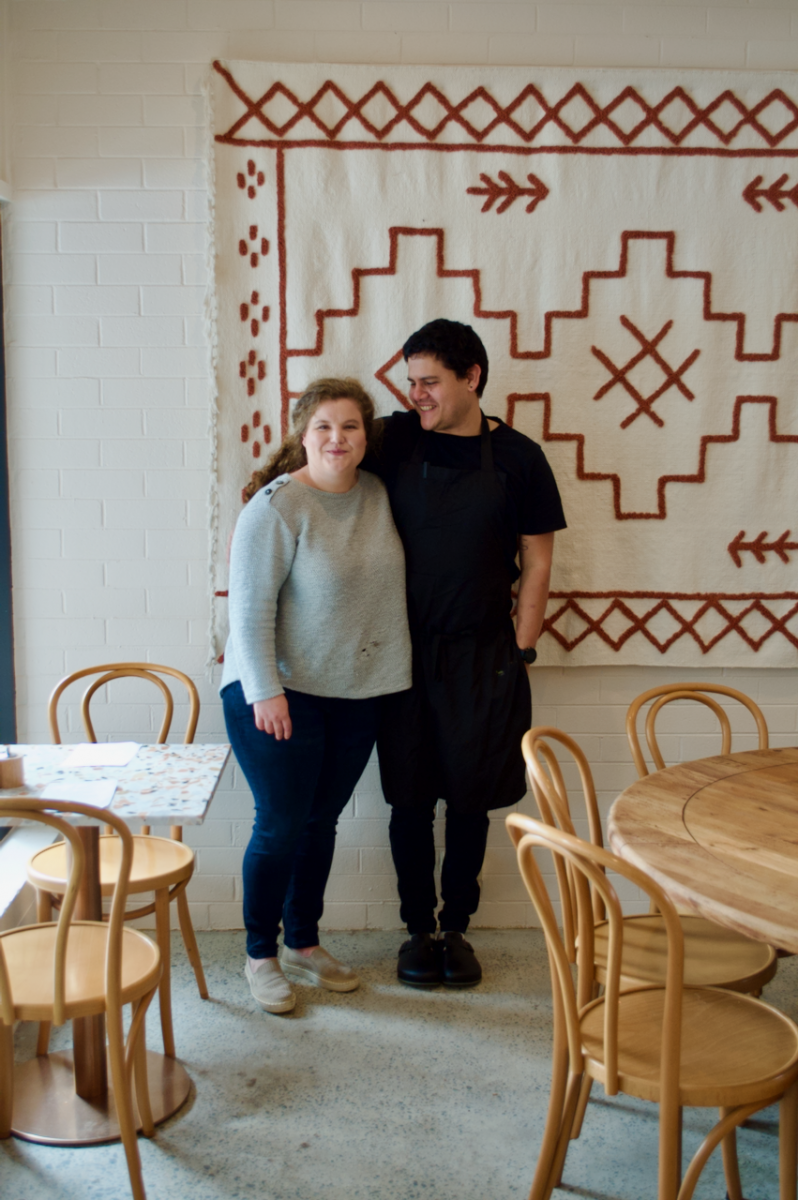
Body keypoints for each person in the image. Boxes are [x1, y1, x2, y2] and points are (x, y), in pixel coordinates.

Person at [365, 320, 566, 988]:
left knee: (471, 801)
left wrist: (523, 649)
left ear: (471, 377)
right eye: (411, 381)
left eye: (429, 382)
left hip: (485, 656)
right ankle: (416, 929)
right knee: (410, 800)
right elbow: (317, 462)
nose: (415, 394)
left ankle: (458, 929)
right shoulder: (390, 439)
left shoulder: (518, 457)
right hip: (401, 655)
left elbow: (537, 560)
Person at [220, 378, 411, 1014]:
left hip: (355, 693)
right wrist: (265, 691)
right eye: (324, 426)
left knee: (319, 823)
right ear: (303, 434)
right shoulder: (276, 506)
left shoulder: (379, 495)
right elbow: (247, 613)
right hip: (275, 693)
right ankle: (260, 954)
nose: (338, 438)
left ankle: (303, 941)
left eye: (351, 426)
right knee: (279, 826)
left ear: (366, 436)